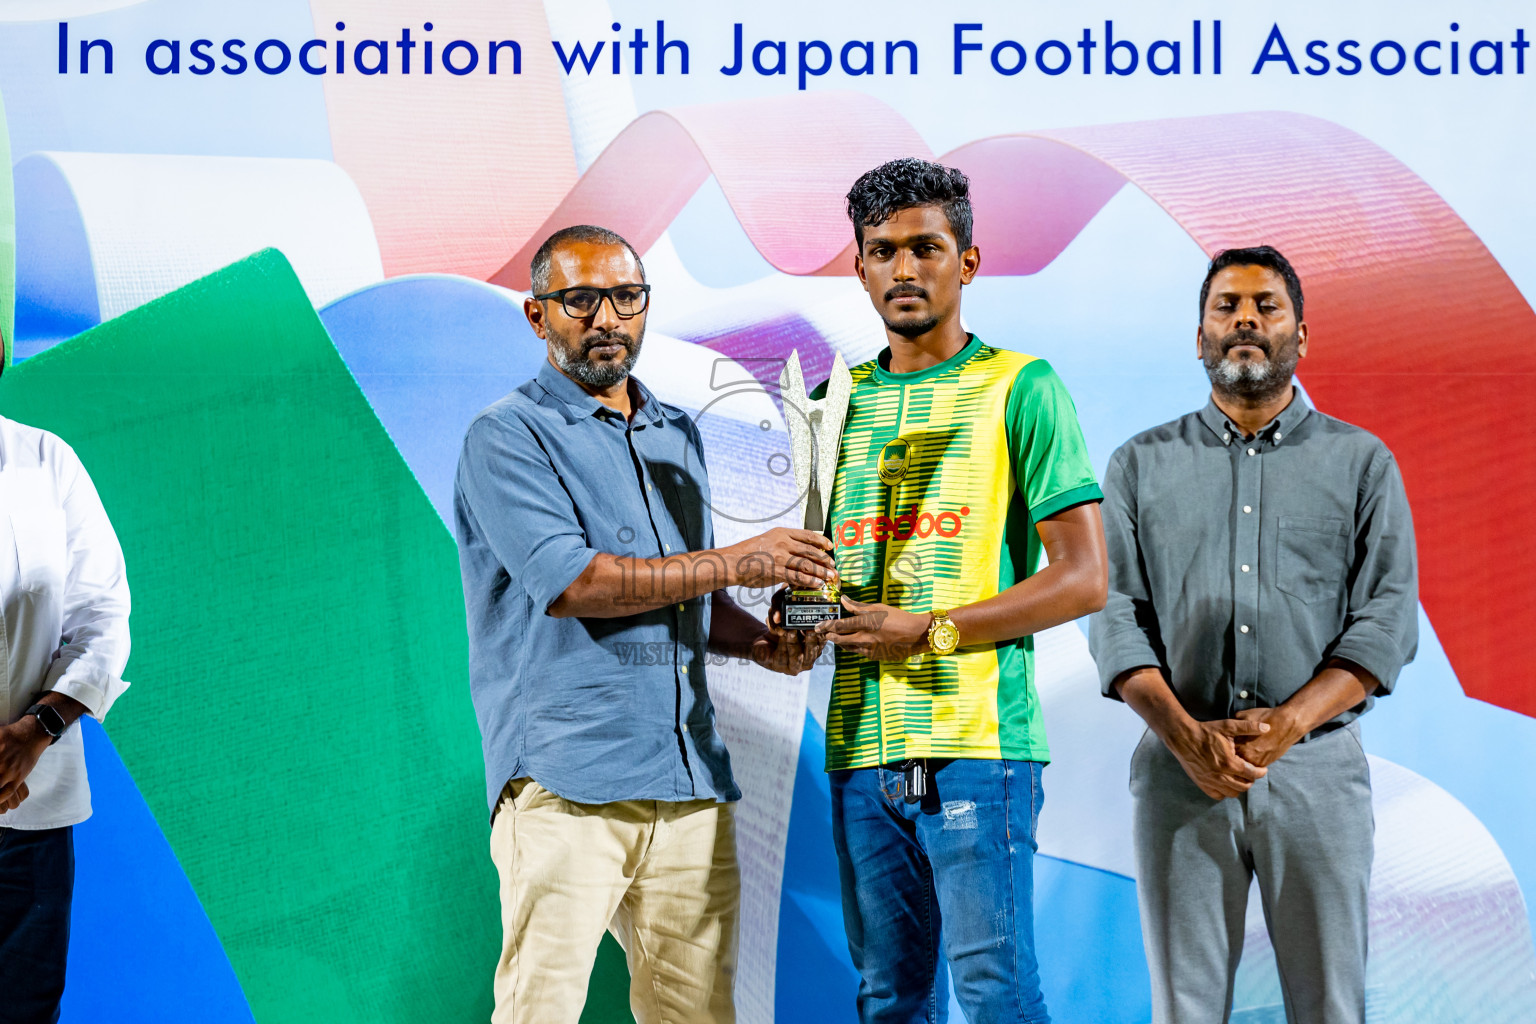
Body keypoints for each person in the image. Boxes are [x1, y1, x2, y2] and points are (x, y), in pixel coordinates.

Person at [452, 224, 833, 1024]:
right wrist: (739, 561)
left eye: (626, 298)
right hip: (567, 777)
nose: (607, 319)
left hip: (687, 778)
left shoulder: (676, 434)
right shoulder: (506, 435)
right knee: (539, 1011)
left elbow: (685, 591)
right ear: (536, 315)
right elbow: (579, 585)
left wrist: (764, 644)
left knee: (697, 1016)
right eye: (580, 300)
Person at [811, 158, 1108, 1024]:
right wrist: (793, 624)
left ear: (967, 261)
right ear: (858, 267)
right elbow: (817, 572)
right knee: (889, 1002)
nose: (904, 269)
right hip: (859, 750)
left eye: (926, 248)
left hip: (978, 741)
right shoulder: (834, 403)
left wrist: (930, 630)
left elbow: (1085, 577)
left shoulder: (1023, 386)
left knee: (996, 999)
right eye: (882, 251)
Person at [1089, 245, 1419, 1024]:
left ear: (1300, 335)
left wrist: (1292, 722)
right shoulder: (1137, 466)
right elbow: (1113, 611)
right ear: (1198, 336)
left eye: (1266, 306)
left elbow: (1388, 615)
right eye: (1225, 306)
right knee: (1185, 1009)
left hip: (1317, 771)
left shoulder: (1362, 463)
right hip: (1178, 770)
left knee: (1331, 1006)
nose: (1245, 320)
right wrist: (1182, 735)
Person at [0, 416, 132, 1024]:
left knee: (24, 1010)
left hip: (30, 822)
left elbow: (101, 616)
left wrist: (35, 732)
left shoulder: (46, 460)